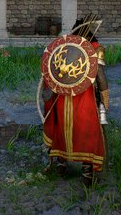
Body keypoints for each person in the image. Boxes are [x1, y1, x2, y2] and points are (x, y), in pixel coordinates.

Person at [42, 15, 110, 187]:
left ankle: (61, 166)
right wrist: (105, 100)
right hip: (85, 98)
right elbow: (100, 76)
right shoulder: (96, 48)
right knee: (87, 130)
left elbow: (53, 73)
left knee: (62, 128)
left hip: (62, 97)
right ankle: (87, 173)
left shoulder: (64, 46)